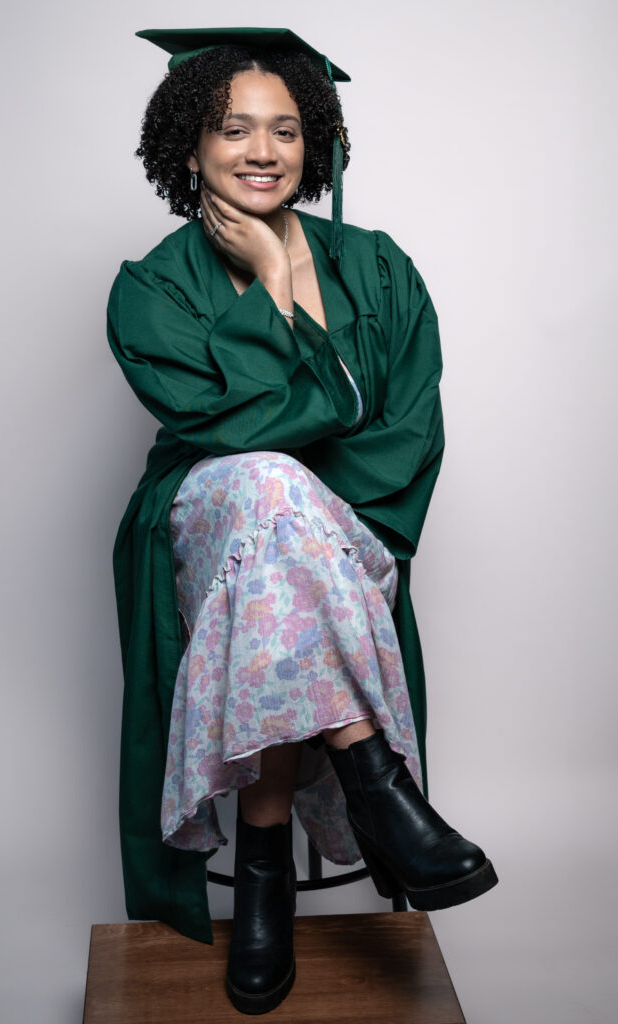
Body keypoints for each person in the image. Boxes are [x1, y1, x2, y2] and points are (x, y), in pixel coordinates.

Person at [107, 27, 498, 1016]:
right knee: (264, 486)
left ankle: (265, 856)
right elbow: (233, 432)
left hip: (345, 535)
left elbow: (410, 430)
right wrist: (277, 288)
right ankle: (378, 780)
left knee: (284, 531)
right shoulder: (151, 290)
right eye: (233, 129)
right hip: (206, 531)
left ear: (314, 142)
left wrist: (309, 500)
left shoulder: (377, 269)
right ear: (187, 145)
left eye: (286, 130)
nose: (262, 151)